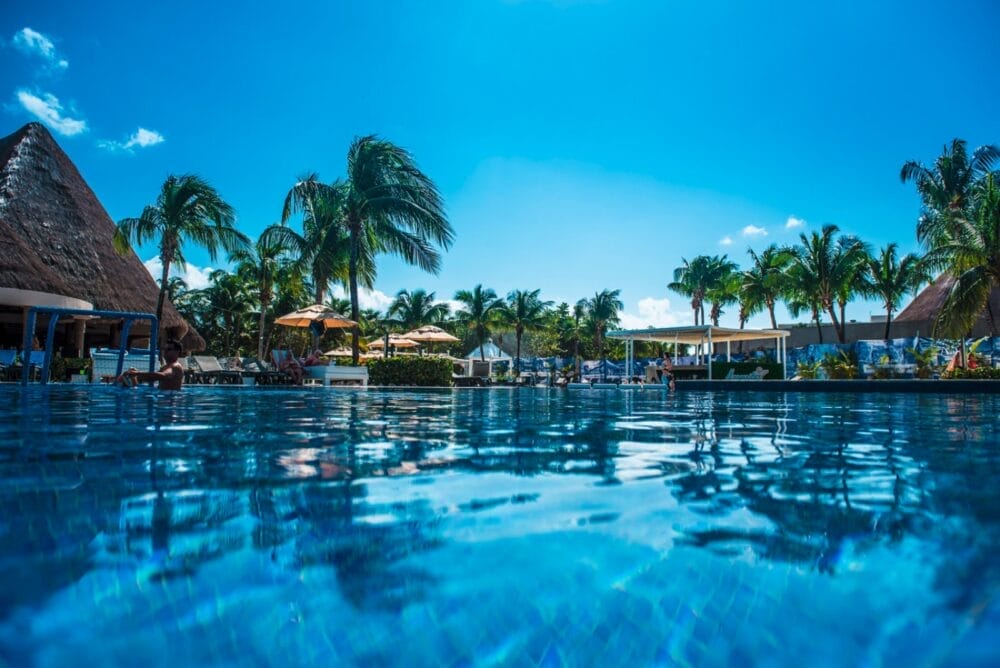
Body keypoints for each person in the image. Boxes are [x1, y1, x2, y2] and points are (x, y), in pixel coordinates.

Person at [116, 339, 185, 391]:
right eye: (164, 349)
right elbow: (152, 378)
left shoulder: (175, 366)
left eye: (169, 349)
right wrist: (133, 379)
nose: (165, 351)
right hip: (164, 398)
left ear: (177, 352)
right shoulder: (164, 367)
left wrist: (137, 373)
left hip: (171, 402)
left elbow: (164, 375)